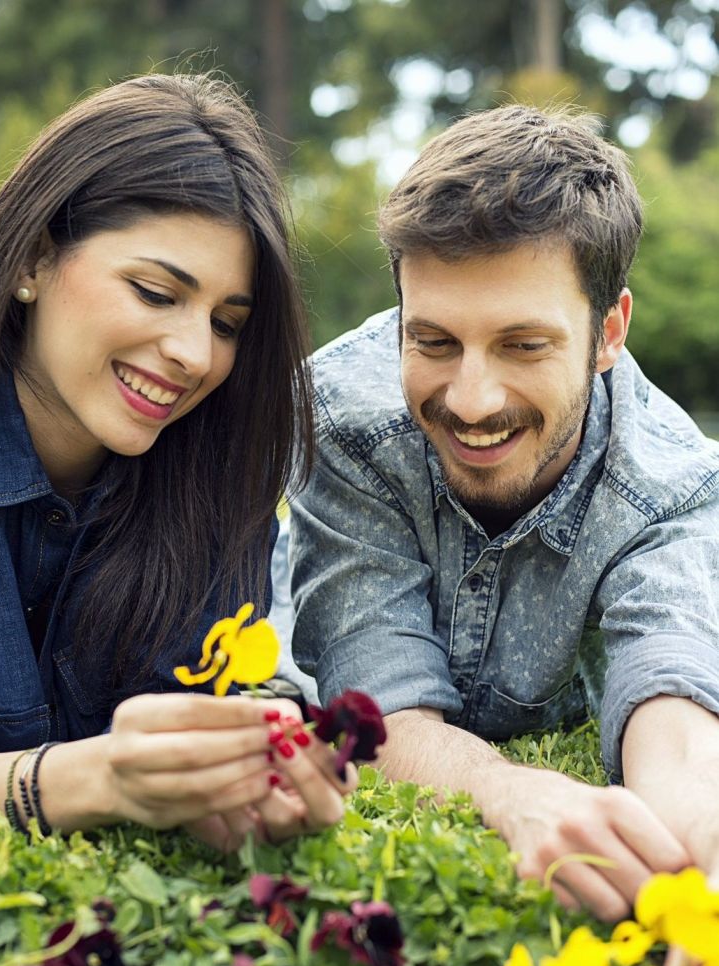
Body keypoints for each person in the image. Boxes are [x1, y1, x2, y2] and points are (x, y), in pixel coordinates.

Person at [0, 73, 354, 848]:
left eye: (227, 323)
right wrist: (104, 779)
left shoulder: (224, 442)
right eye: (157, 293)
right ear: (31, 258)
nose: (195, 355)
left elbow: (211, 687)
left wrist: (244, 776)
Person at [287, 104, 719, 922]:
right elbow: (379, 704)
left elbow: (672, 695)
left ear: (608, 332)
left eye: (524, 345)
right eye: (435, 341)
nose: (471, 401)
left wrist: (703, 839)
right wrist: (505, 789)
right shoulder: (341, 418)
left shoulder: (674, 482)